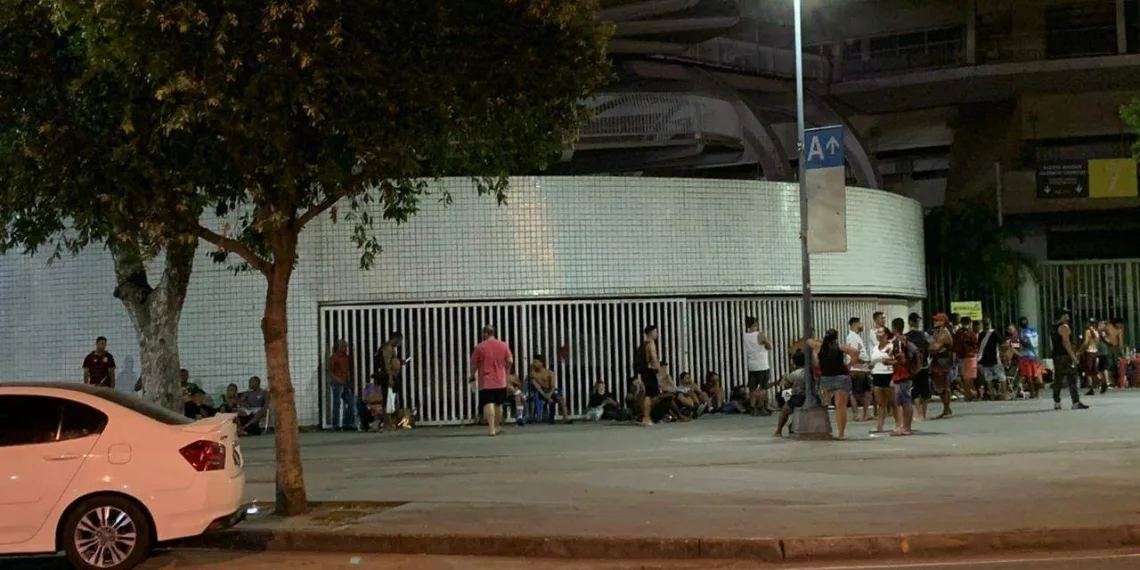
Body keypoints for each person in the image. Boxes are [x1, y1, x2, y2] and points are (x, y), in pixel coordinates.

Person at [813, 329, 861, 440]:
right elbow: (856, 353)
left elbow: (808, 341)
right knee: (840, 407)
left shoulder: (819, 347)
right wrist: (849, 365)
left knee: (824, 404)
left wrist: (820, 340)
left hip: (826, 378)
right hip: (841, 376)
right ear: (836, 338)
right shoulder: (840, 347)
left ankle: (824, 430)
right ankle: (841, 434)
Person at [471, 325, 514, 436]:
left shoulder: (479, 347)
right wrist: (506, 371)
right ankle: (497, 426)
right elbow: (510, 361)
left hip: (486, 380)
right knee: (498, 404)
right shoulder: (503, 345)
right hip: (500, 380)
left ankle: (491, 429)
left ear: (485, 333)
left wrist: (472, 375)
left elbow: (474, 365)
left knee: (488, 403)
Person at [1051, 308, 1089, 411]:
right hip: (1065, 356)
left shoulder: (1054, 327)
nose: (1068, 316)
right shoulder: (1064, 327)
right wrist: (1073, 356)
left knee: (1058, 379)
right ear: (1062, 316)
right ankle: (1075, 402)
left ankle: (1057, 402)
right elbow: (1066, 342)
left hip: (1056, 355)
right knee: (1072, 378)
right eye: (1066, 314)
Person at [743, 316, 773, 416]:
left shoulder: (745, 336)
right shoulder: (760, 335)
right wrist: (766, 342)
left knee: (752, 388)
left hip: (752, 366)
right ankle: (761, 407)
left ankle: (752, 408)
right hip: (762, 365)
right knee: (763, 388)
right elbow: (769, 347)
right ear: (755, 324)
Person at [773, 351, 808, 437]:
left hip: (799, 396)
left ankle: (778, 430)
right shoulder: (809, 371)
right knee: (782, 395)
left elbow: (786, 387)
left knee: (785, 409)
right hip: (811, 396)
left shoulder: (794, 374)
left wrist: (785, 378)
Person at [890, 318, 915, 436]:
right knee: (903, 401)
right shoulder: (904, 339)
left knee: (905, 401)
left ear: (893, 327)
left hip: (902, 374)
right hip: (904, 374)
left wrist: (889, 362)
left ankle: (906, 427)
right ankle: (905, 427)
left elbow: (902, 358)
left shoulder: (898, 341)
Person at [905, 313, 932, 421]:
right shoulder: (924, 335)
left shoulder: (906, 336)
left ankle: (918, 413)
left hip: (912, 367)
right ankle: (923, 414)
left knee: (915, 389)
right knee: (924, 390)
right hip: (924, 365)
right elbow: (929, 347)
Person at [529, 355, 571, 424]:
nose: (534, 364)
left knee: (560, 398)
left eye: (536, 362)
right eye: (533, 362)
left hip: (550, 390)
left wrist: (549, 395)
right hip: (540, 392)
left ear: (542, 363)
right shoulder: (533, 374)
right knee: (547, 398)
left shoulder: (549, 372)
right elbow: (537, 387)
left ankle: (565, 418)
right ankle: (547, 418)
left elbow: (553, 386)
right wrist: (546, 396)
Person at [633, 325, 662, 426]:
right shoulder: (651, 344)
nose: (657, 334)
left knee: (647, 394)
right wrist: (659, 371)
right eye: (656, 332)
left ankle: (643, 416)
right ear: (651, 332)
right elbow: (654, 359)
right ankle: (646, 417)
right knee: (650, 395)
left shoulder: (642, 344)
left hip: (643, 372)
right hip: (649, 371)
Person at [869, 327, 896, 434]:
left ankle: (899, 424)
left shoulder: (891, 346)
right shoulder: (875, 348)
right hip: (877, 375)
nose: (877, 334)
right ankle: (879, 425)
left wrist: (889, 361)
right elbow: (873, 361)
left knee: (893, 402)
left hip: (888, 374)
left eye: (880, 332)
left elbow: (896, 360)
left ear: (886, 334)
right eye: (877, 332)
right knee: (880, 403)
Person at [846, 317, 873, 422]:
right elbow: (854, 353)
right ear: (855, 324)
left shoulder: (856, 336)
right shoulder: (852, 337)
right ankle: (856, 414)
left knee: (867, 391)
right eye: (860, 323)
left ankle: (866, 413)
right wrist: (864, 361)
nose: (862, 325)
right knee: (855, 392)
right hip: (856, 369)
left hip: (862, 369)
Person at [326, 339, 355, 431]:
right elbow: (330, 372)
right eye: (344, 347)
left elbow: (348, 370)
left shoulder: (346, 357)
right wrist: (338, 379)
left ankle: (347, 423)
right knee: (337, 404)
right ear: (340, 347)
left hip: (345, 382)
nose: (346, 349)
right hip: (337, 383)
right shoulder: (334, 357)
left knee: (350, 403)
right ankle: (336, 425)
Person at [930, 313, 955, 418]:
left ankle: (946, 408)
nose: (935, 322)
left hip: (943, 362)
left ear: (942, 322)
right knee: (940, 387)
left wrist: (929, 340)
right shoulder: (937, 333)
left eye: (937, 320)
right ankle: (946, 408)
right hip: (938, 362)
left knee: (944, 386)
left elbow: (935, 348)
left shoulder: (944, 334)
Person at [977, 319, 1005, 400]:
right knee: (1002, 377)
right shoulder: (994, 333)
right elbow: (1001, 343)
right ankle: (1003, 394)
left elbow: (979, 346)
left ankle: (992, 395)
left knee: (989, 379)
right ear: (990, 324)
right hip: (995, 359)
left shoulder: (981, 334)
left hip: (985, 360)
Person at [953, 317, 979, 401]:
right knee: (970, 377)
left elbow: (955, 344)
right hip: (970, 356)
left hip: (961, 356)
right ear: (970, 323)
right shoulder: (970, 333)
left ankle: (968, 394)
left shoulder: (958, 332)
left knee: (964, 376)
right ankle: (970, 393)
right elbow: (975, 343)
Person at [1018, 317, 1044, 398]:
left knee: (1029, 377)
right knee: (1035, 376)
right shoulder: (1034, 330)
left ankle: (1033, 394)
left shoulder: (1021, 331)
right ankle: (1036, 394)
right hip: (1034, 355)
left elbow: (1024, 343)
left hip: (1026, 356)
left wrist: (1020, 337)